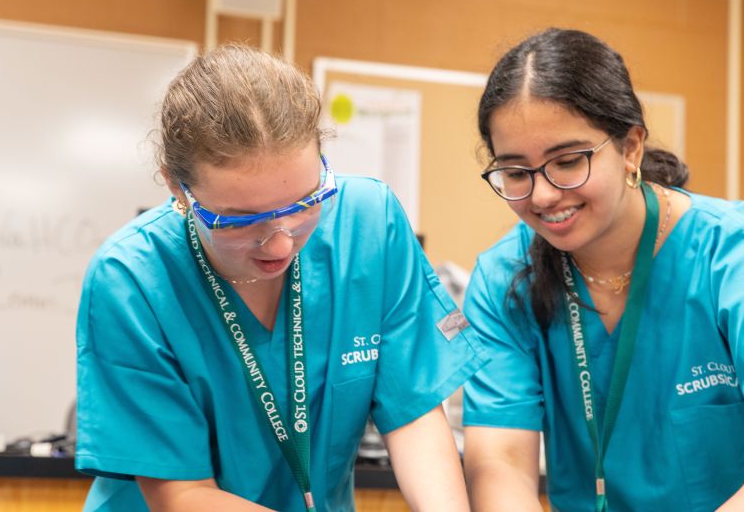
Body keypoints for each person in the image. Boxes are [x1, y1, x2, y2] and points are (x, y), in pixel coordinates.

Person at [462, 28, 744, 511]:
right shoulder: (506, 281)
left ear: (630, 147)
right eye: (515, 172)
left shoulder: (731, 253)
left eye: (568, 162)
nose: (544, 195)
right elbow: (501, 463)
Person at [76, 44, 485, 511]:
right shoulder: (130, 280)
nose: (280, 244)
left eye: (304, 203)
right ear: (177, 188)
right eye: (238, 220)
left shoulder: (369, 225)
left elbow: (412, 411)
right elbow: (181, 494)